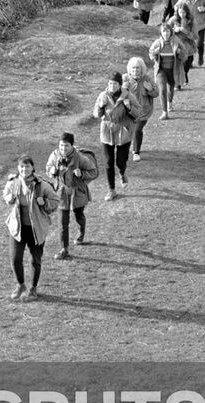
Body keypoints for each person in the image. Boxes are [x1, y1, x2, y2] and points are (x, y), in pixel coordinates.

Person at [2, 156, 60, 300]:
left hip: (36, 229)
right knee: (15, 258)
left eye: (27, 167)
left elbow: (55, 200)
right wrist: (9, 199)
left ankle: (33, 288)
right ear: (18, 169)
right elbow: (6, 194)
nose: (24, 169)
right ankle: (20, 285)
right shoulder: (13, 183)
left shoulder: (42, 185)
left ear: (32, 168)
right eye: (22, 167)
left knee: (35, 260)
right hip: (18, 228)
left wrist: (44, 202)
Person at [45, 132, 98, 259]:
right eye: (61, 146)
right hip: (61, 192)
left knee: (78, 215)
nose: (63, 149)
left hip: (78, 192)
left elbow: (94, 172)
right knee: (62, 222)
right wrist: (51, 172)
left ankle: (81, 234)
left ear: (72, 146)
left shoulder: (80, 158)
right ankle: (64, 249)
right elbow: (48, 168)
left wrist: (82, 174)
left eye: (66, 146)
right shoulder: (54, 155)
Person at [93, 71, 136, 201]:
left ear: (120, 84)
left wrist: (129, 108)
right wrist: (101, 106)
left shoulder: (128, 95)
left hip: (124, 131)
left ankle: (122, 172)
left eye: (115, 84)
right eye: (110, 83)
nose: (112, 86)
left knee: (120, 161)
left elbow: (138, 113)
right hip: (107, 131)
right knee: (108, 162)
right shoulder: (103, 95)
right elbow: (96, 114)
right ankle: (111, 190)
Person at [149, 20, 189, 119]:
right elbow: (150, 54)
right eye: (164, 31)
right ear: (161, 33)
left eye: (168, 31)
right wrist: (155, 52)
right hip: (161, 70)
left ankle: (169, 102)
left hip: (173, 70)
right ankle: (164, 112)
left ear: (171, 32)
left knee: (171, 89)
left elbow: (185, 55)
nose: (166, 33)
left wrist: (180, 52)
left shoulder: (176, 41)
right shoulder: (157, 43)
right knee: (162, 89)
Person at [123, 57, 158, 162]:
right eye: (133, 68)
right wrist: (123, 89)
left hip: (143, 111)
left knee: (137, 130)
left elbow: (156, 93)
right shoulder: (125, 79)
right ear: (130, 69)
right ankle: (130, 146)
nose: (135, 70)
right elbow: (115, 93)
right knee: (129, 130)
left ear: (142, 69)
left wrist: (150, 89)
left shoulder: (147, 79)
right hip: (128, 111)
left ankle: (136, 152)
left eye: (138, 68)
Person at [171, 0, 198, 85]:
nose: (182, 14)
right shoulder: (174, 19)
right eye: (180, 12)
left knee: (188, 63)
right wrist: (176, 29)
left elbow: (195, 35)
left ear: (187, 12)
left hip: (189, 44)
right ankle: (181, 79)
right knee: (180, 62)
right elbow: (165, 29)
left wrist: (186, 32)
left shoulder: (192, 20)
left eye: (183, 12)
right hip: (178, 44)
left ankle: (185, 73)